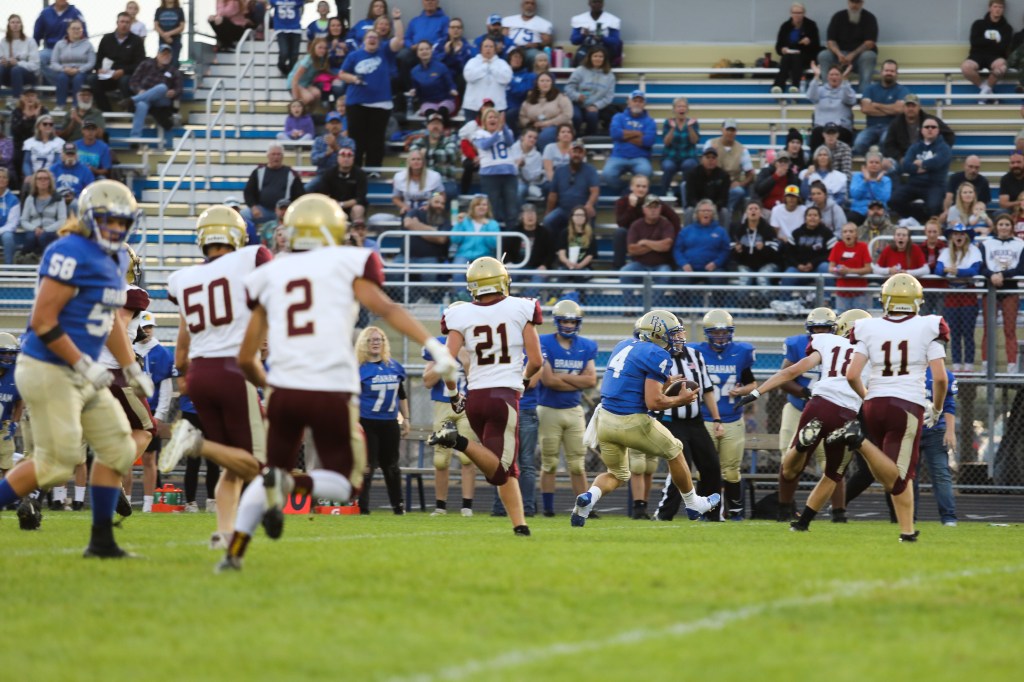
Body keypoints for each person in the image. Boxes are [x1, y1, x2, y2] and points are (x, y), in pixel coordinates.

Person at [217, 194, 458, 570]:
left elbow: (246, 357)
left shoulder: (269, 273)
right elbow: (387, 308)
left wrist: (271, 384)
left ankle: (233, 554)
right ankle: (290, 485)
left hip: (285, 390)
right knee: (345, 484)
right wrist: (434, 347)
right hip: (330, 388)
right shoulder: (347, 261)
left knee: (269, 474)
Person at [0, 180, 146, 553]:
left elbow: (110, 321)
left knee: (117, 449)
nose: (116, 228)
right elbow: (43, 321)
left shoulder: (116, 259)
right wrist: (82, 362)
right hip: (47, 366)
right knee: (57, 463)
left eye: (122, 221)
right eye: (109, 220)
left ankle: (102, 542)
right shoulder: (69, 250)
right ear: (88, 218)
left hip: (82, 371)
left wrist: (130, 367)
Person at [160, 206, 269, 539]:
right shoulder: (251, 257)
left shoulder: (183, 278)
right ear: (236, 234)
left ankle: (223, 536)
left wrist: (186, 377)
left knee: (232, 464)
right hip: (233, 370)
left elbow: (181, 352)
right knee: (255, 464)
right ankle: (195, 443)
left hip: (199, 373)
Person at [427, 257, 542, 536]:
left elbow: (447, 361)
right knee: (500, 469)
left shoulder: (459, 313)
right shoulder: (522, 307)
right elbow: (537, 361)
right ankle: (457, 440)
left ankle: (520, 526)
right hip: (503, 398)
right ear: (502, 281)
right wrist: (524, 380)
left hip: (475, 398)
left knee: (506, 470)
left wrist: (454, 395)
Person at [573, 310, 720, 526]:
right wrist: (680, 400)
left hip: (605, 419)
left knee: (617, 474)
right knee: (675, 450)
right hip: (630, 420)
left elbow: (633, 384)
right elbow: (654, 402)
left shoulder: (624, 345)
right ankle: (693, 503)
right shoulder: (657, 354)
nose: (678, 338)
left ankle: (587, 499)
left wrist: (665, 384)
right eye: (673, 333)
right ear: (658, 334)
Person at [833, 273, 950, 542]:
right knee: (899, 476)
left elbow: (852, 375)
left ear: (885, 300)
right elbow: (941, 378)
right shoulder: (930, 326)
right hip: (907, 404)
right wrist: (937, 408)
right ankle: (860, 442)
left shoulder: (867, 327)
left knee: (896, 474)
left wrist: (867, 398)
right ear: (917, 300)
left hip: (875, 403)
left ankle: (907, 531)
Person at [739, 307, 871, 530]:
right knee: (833, 473)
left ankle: (801, 447)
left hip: (817, 405)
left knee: (790, 467)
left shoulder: (828, 343)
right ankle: (804, 522)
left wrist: (756, 392)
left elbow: (790, 372)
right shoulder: (873, 352)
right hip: (846, 414)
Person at [766, 308, 847, 522]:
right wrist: (805, 392)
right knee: (789, 459)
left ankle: (839, 512)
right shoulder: (797, 345)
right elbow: (785, 379)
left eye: (824, 328)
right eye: (816, 328)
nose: (820, 332)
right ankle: (785, 509)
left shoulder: (843, 347)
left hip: (830, 409)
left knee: (833, 463)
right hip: (798, 407)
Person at [536, 300, 598, 515]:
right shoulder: (544, 342)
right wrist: (576, 380)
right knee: (550, 462)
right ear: (557, 321)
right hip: (548, 409)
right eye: (565, 321)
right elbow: (548, 381)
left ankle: (584, 508)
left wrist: (560, 377)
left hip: (574, 409)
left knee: (577, 464)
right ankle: (548, 509)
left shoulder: (587, 345)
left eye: (572, 321)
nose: (569, 325)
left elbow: (591, 380)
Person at [338, 10, 404, 169]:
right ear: (364, 40)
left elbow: (399, 40)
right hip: (357, 102)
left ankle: (374, 168)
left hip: (380, 103)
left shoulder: (385, 52)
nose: (373, 39)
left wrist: (396, 20)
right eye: (370, 37)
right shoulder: (354, 56)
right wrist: (354, 79)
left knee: (376, 138)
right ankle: (355, 168)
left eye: (375, 38)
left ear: (379, 41)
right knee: (356, 138)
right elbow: (342, 74)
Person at [423, 326, 476, 516]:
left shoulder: (475, 345)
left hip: (467, 405)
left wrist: (467, 363)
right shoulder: (438, 345)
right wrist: (444, 361)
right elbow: (427, 381)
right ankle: (440, 506)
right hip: (443, 404)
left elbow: (478, 383)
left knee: (467, 456)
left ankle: (467, 506)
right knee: (440, 459)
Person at [354, 327, 408, 515]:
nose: (376, 343)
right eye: (371, 340)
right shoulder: (359, 369)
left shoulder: (394, 366)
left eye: (379, 339)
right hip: (366, 422)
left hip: (390, 422)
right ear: (364, 343)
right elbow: (351, 398)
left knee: (391, 466)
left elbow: (401, 394)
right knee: (367, 466)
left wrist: (406, 418)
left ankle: (398, 506)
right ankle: (362, 507)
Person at [935, 224, 983, 372]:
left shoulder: (973, 250)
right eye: (955, 234)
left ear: (966, 237)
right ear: (951, 237)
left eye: (962, 234)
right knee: (954, 332)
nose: (958, 237)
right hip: (951, 293)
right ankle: (956, 365)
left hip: (968, 292)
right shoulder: (946, 252)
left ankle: (968, 366)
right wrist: (947, 270)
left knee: (968, 332)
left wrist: (957, 271)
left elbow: (975, 270)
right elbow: (938, 270)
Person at [979, 214, 1023, 373]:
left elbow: (1021, 268)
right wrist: (992, 275)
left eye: (1007, 224)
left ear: (1012, 227)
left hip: (1009, 289)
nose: (1004, 227)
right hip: (990, 289)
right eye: (1001, 224)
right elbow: (981, 267)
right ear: (996, 227)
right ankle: (985, 366)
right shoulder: (986, 244)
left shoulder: (1020, 244)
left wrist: (1002, 275)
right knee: (988, 329)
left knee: (1010, 330)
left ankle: (1011, 367)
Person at [916, 366, 959, 526]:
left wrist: (950, 431)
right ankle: (908, 518)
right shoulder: (908, 369)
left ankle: (949, 517)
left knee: (941, 474)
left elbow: (949, 404)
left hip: (935, 430)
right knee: (908, 476)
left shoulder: (943, 373)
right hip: (910, 430)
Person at [890, 117, 952, 223]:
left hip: (935, 185)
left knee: (934, 207)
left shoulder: (944, 148)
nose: (930, 129)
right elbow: (906, 166)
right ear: (922, 130)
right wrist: (920, 168)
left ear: (938, 130)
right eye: (927, 127)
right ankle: (914, 219)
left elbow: (937, 163)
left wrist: (921, 163)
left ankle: (925, 222)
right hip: (914, 184)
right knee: (894, 201)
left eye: (933, 127)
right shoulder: (914, 147)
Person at [621, 195, 676, 310]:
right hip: (639, 264)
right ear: (644, 209)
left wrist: (645, 242)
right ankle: (629, 309)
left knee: (665, 274)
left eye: (656, 207)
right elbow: (632, 249)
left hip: (661, 265)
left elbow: (666, 246)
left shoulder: (666, 224)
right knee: (625, 272)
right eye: (650, 207)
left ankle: (652, 309)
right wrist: (656, 245)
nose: (653, 210)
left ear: (660, 209)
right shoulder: (636, 225)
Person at [602, 90, 657, 196]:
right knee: (607, 174)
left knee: (646, 172)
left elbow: (648, 141)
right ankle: (626, 192)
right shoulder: (618, 117)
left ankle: (630, 192)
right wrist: (638, 133)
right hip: (618, 156)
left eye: (640, 101)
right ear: (629, 102)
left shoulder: (650, 121)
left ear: (644, 104)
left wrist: (624, 136)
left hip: (640, 158)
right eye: (635, 100)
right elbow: (615, 134)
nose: (637, 103)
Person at [817, 0, 878, 94]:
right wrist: (839, 54)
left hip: (859, 58)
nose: (854, 5)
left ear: (862, 3)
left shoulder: (869, 18)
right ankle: (827, 92)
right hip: (839, 57)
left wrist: (852, 55)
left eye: (857, 2)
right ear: (848, 2)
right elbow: (830, 41)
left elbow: (870, 43)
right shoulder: (838, 16)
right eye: (852, 2)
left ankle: (864, 95)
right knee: (823, 55)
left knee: (869, 56)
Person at [882, 95, 955, 172]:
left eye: (913, 106)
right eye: (908, 106)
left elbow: (949, 135)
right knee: (887, 165)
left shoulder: (930, 121)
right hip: (903, 158)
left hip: (927, 158)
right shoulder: (896, 123)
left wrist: (938, 153)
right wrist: (900, 158)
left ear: (919, 107)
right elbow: (889, 145)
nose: (910, 109)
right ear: (903, 108)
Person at [471, 108, 518, 229]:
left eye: (496, 117)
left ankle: (511, 239)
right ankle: (493, 237)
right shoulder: (479, 134)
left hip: (509, 173)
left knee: (511, 209)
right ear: (484, 121)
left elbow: (510, 142)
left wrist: (504, 127)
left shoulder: (507, 131)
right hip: (490, 175)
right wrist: (497, 132)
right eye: (490, 117)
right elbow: (485, 145)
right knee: (492, 209)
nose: (493, 119)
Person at [125, 44, 183, 138]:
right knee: (141, 105)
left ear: (171, 56)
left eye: (168, 54)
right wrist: (139, 90)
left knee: (162, 87)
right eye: (163, 54)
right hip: (145, 96)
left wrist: (174, 92)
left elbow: (179, 89)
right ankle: (135, 138)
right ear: (157, 55)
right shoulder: (146, 64)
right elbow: (133, 81)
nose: (166, 56)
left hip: (162, 99)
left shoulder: (174, 71)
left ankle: (132, 100)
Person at [852, 59, 909, 155]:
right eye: (886, 70)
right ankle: (871, 161)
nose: (889, 73)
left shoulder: (902, 90)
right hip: (871, 127)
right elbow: (865, 109)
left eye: (892, 71)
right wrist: (890, 109)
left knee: (885, 143)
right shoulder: (870, 89)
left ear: (896, 74)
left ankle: (881, 161)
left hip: (891, 128)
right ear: (881, 72)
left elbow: (899, 110)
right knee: (859, 144)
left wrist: (876, 105)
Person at [543, 139, 599, 234]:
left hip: (582, 210)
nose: (577, 155)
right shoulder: (559, 171)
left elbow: (595, 191)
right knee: (548, 220)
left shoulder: (590, 170)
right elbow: (553, 195)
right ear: (569, 152)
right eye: (574, 151)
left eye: (580, 152)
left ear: (584, 155)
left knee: (589, 214)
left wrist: (589, 204)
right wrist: (548, 211)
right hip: (563, 209)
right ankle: (554, 243)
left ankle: (586, 243)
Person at [242, 143, 306, 226]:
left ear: (282, 156)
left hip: (284, 211)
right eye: (273, 154)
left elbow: (300, 195)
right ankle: (252, 234)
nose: (276, 157)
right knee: (244, 214)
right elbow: (248, 192)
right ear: (268, 156)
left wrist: (290, 210)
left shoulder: (291, 174)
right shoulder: (258, 172)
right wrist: (253, 207)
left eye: (279, 154)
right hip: (263, 210)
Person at [961, 0, 1012, 102]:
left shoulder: (1007, 28)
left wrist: (984, 42)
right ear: (990, 8)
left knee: (1002, 67)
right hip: (977, 55)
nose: (997, 9)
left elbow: (1002, 47)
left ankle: (983, 94)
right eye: (995, 6)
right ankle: (986, 90)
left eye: (1000, 7)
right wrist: (993, 42)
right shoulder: (978, 24)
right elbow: (975, 42)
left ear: (1003, 10)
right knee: (965, 67)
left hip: (996, 57)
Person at [704, 119, 755, 218]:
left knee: (738, 191)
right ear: (722, 130)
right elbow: (704, 164)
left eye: (733, 130)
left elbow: (750, 174)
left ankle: (726, 211)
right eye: (728, 130)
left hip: (730, 185)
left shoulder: (742, 150)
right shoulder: (710, 144)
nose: (730, 133)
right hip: (712, 181)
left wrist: (741, 183)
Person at [564, 48, 617, 139]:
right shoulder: (580, 70)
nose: (598, 59)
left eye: (601, 56)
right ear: (590, 57)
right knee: (576, 117)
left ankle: (590, 140)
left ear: (604, 59)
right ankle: (574, 139)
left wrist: (596, 106)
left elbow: (609, 97)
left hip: (595, 105)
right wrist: (577, 96)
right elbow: (568, 88)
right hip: (577, 103)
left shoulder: (610, 76)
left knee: (592, 115)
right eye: (595, 56)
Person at [730, 201, 781, 294]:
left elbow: (775, 250)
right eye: (750, 209)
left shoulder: (768, 229)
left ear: (760, 212)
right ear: (746, 213)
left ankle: (767, 302)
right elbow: (732, 249)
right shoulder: (738, 229)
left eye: (756, 209)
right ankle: (741, 303)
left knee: (762, 278)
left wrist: (764, 248)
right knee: (744, 280)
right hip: (745, 264)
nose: (753, 211)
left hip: (767, 264)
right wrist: (737, 250)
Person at [673, 198, 731, 280]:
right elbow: (677, 249)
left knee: (718, 276)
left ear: (713, 214)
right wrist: (684, 263)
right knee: (680, 277)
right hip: (689, 269)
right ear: (697, 214)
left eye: (709, 211)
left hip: (713, 269)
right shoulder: (686, 231)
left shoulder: (721, 231)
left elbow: (725, 250)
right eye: (703, 211)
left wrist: (716, 263)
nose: (706, 213)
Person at [782, 205, 836, 290]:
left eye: (815, 215)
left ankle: (827, 297)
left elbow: (832, 253)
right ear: (805, 218)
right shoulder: (796, 233)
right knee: (788, 275)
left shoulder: (827, 233)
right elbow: (789, 254)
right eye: (809, 215)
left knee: (825, 267)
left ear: (820, 218)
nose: (812, 218)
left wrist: (813, 263)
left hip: (818, 268)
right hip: (799, 269)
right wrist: (798, 265)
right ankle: (784, 298)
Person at [409, 111, 460, 200]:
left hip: (445, 181)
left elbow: (450, 154)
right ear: (427, 126)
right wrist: (437, 155)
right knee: (416, 192)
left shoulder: (449, 140)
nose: (435, 127)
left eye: (438, 124)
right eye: (433, 124)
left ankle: (439, 205)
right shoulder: (420, 141)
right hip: (424, 181)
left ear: (442, 127)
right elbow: (413, 154)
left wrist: (425, 154)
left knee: (447, 193)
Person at [772, 3, 820, 94]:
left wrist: (809, 42)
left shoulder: (811, 25)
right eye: (795, 13)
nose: (797, 15)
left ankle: (793, 85)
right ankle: (779, 87)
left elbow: (817, 45)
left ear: (804, 13)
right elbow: (778, 46)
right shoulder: (785, 26)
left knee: (796, 57)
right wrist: (782, 49)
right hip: (789, 54)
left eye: (799, 13)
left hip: (805, 55)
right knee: (787, 58)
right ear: (791, 14)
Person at [19, 168, 66, 261]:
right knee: (30, 238)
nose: (43, 181)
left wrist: (46, 230)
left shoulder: (58, 198)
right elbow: (23, 220)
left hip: (51, 230)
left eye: (46, 178)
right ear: (35, 181)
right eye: (39, 179)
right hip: (34, 230)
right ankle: (27, 262)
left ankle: (47, 262)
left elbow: (62, 220)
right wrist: (35, 229)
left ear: (50, 181)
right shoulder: (30, 199)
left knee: (44, 237)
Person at [806, 63, 857, 148]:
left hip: (841, 128)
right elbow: (811, 96)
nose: (834, 77)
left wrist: (845, 80)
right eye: (831, 74)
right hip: (821, 127)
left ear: (841, 76)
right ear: (827, 77)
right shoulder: (820, 90)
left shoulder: (847, 89)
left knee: (841, 133)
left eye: (837, 75)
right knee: (816, 133)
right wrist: (817, 76)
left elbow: (850, 100)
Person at [462, 37, 513, 120]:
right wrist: (484, 66)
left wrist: (491, 67)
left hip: (497, 107)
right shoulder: (472, 62)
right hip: (473, 107)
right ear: (481, 49)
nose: (488, 49)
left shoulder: (502, 63)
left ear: (495, 49)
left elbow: (506, 79)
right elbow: (468, 77)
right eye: (486, 46)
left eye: (491, 46)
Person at [46, 19, 93, 109]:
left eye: (79, 29)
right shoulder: (59, 44)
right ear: (68, 30)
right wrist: (63, 69)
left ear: (82, 30)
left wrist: (78, 70)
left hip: (81, 71)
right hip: (64, 70)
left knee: (78, 78)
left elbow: (91, 63)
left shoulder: (88, 45)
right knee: (61, 78)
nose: (76, 31)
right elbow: (54, 62)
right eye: (73, 28)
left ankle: (76, 105)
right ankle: (60, 105)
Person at [518, 72, 573, 150]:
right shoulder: (530, 99)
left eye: (548, 81)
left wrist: (547, 123)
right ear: (537, 83)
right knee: (522, 139)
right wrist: (532, 124)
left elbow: (567, 115)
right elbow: (522, 116)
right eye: (542, 81)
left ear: (552, 83)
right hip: (534, 127)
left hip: (557, 127)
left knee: (544, 137)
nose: (545, 83)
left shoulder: (561, 97)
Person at [659, 97, 700, 197]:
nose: (682, 108)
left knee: (689, 165)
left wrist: (690, 127)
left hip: (688, 156)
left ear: (687, 109)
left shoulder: (693, 122)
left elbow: (694, 141)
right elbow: (666, 142)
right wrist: (672, 128)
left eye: (684, 106)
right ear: (674, 109)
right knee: (668, 166)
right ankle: (663, 195)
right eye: (679, 106)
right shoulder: (668, 122)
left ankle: (686, 195)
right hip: (671, 156)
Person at [829, 222, 873, 312]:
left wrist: (849, 271)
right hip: (842, 291)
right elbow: (830, 268)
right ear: (842, 235)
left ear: (856, 234)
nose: (848, 234)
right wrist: (838, 270)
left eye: (851, 231)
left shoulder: (863, 246)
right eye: (845, 232)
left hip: (859, 292)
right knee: (842, 318)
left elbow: (868, 269)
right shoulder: (837, 246)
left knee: (860, 318)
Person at [408, 39, 457, 118]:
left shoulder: (441, 67)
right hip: (428, 102)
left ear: (431, 51)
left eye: (427, 49)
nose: (424, 51)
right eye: (421, 50)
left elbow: (451, 84)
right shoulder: (414, 71)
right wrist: (413, 91)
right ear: (417, 53)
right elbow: (415, 88)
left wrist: (453, 90)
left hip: (445, 100)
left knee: (442, 112)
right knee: (431, 115)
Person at [449, 194, 500, 269]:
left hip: (485, 256)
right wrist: (459, 224)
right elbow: (455, 240)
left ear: (488, 208)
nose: (481, 207)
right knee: (457, 272)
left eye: (484, 205)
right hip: (464, 255)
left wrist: (488, 227)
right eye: (478, 205)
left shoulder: (493, 224)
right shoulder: (464, 221)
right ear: (472, 207)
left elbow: (494, 245)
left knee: (484, 274)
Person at [321, 145, 368, 224]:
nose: (346, 159)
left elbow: (360, 198)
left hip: (352, 207)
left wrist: (342, 204)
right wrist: (335, 204)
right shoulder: (328, 174)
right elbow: (324, 195)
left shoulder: (360, 174)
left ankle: (357, 230)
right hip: (333, 206)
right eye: (343, 156)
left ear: (353, 158)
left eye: (349, 156)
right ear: (337, 158)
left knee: (358, 208)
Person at [391, 148, 443, 218]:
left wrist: (430, 205)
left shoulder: (434, 176)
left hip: (428, 210)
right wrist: (404, 206)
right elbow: (396, 198)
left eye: (419, 159)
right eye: (413, 159)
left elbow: (438, 194)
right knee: (408, 215)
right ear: (409, 162)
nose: (416, 162)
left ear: (423, 162)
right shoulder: (399, 177)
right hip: (408, 210)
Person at [569, 0, 623, 67]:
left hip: (605, 48)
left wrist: (602, 38)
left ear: (603, 4)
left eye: (599, 2)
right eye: (594, 2)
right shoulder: (579, 19)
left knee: (599, 57)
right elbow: (574, 41)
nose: (597, 4)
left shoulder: (612, 19)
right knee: (580, 56)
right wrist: (583, 35)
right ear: (589, 3)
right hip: (587, 47)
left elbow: (615, 41)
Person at [307, 111, 349, 192]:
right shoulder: (319, 140)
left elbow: (350, 161)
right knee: (304, 190)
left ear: (341, 125)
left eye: (337, 123)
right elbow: (313, 160)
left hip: (342, 175)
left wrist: (336, 147)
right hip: (322, 176)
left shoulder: (348, 141)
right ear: (326, 125)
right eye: (332, 123)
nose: (334, 126)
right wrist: (326, 154)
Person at [0, 14, 39, 100]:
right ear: (8, 25)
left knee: (16, 69)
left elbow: (35, 66)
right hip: (8, 76)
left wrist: (18, 63)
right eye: (12, 22)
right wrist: (3, 62)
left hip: (27, 76)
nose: (15, 24)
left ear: (21, 25)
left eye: (18, 22)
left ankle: (16, 100)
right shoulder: (3, 41)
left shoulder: (30, 41)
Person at [0, 333, 23, 481]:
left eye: (12, 353)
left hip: (4, 428)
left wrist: (14, 423)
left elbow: (20, 402)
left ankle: (4, 493)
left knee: (7, 465)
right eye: (5, 353)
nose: (9, 357)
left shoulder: (16, 375)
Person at [503, 0, 552, 67]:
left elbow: (547, 42)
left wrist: (536, 44)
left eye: (532, 4)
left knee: (537, 56)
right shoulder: (509, 20)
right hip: (512, 48)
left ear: (535, 7)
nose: (529, 6)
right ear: (522, 5)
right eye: (527, 3)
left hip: (530, 50)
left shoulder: (544, 23)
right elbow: (503, 37)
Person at [433, 15, 473, 98]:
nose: (455, 30)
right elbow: (434, 62)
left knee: (463, 78)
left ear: (462, 30)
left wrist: (457, 54)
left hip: (458, 77)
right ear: (448, 29)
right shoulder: (440, 43)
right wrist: (445, 53)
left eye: (458, 27)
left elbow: (466, 67)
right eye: (453, 27)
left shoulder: (466, 46)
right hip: (443, 74)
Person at [847, 149, 890, 224]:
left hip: (878, 210)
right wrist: (865, 181)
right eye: (871, 162)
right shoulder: (857, 176)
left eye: (877, 163)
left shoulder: (886, 180)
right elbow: (855, 195)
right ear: (866, 165)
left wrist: (878, 182)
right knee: (851, 217)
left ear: (880, 166)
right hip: (859, 210)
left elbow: (883, 198)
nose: (874, 164)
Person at [288, 39, 331, 110]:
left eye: (325, 48)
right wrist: (296, 99)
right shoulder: (308, 59)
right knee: (308, 98)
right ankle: (298, 112)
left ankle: (309, 114)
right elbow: (295, 79)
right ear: (314, 47)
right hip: (294, 84)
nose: (322, 50)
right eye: (320, 48)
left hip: (305, 84)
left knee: (317, 93)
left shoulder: (321, 59)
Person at [50, 141, 94, 210]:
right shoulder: (53, 169)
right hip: (57, 198)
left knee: (74, 204)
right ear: (62, 155)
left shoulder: (85, 170)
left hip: (77, 200)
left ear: (77, 155)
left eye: (72, 154)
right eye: (68, 154)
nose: (70, 156)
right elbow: (49, 189)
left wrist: (76, 197)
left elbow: (90, 190)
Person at [511, 127, 544, 203]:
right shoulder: (511, 149)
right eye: (530, 137)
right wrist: (516, 165)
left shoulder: (537, 156)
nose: (532, 140)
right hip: (509, 180)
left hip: (524, 183)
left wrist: (523, 166)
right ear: (522, 138)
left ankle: (516, 211)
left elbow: (531, 178)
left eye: (535, 138)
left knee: (519, 191)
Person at [0, 168, 21, 264]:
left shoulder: (13, 200)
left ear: (8, 181)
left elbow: (12, 223)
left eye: (4, 177)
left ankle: (8, 268)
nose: (1, 179)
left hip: (5, 232)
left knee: (8, 237)